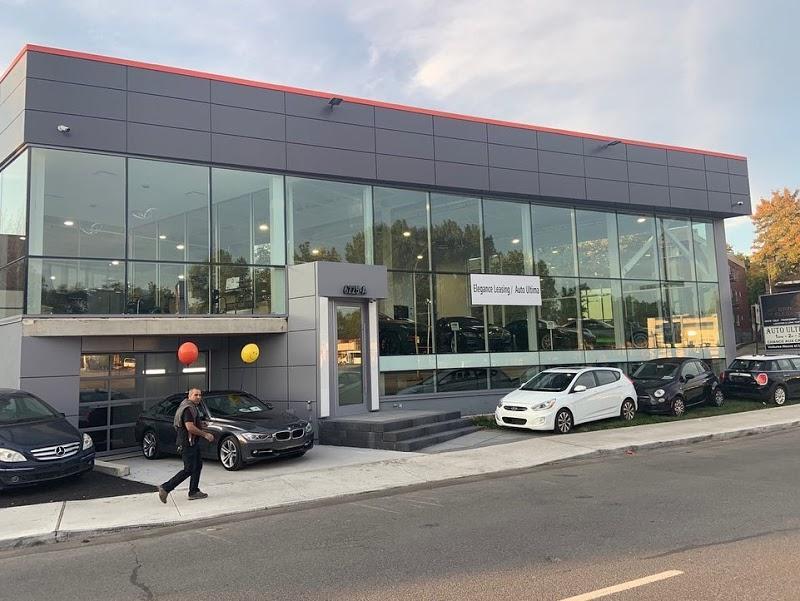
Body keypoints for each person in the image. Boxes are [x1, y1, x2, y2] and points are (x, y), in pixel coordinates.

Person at [157, 388, 214, 502]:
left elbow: (190, 424)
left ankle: (194, 491)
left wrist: (201, 424)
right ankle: (166, 488)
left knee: (197, 465)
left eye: (200, 395)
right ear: (189, 396)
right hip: (187, 443)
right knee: (189, 469)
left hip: (192, 442)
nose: (198, 397)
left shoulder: (190, 407)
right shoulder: (188, 409)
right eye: (195, 395)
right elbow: (189, 427)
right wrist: (205, 434)